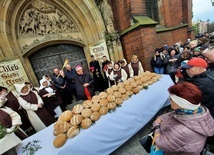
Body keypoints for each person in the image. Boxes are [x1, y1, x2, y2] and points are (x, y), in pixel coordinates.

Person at [152, 82, 214, 155]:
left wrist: (157, 126)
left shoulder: (181, 131)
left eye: (171, 98)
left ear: (180, 103)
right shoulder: (199, 112)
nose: (169, 100)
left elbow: (161, 143)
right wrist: (161, 117)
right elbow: (173, 114)